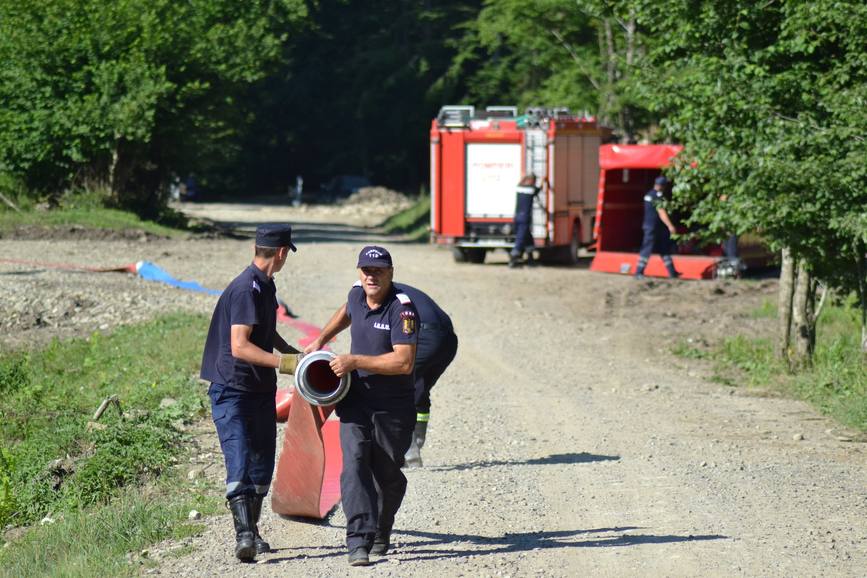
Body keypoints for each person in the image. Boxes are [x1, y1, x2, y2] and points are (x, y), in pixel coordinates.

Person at [304, 246, 418, 567]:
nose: (371, 276)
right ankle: (358, 541)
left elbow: (404, 362)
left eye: (378, 271)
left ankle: (382, 528)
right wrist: (321, 339)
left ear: (390, 274)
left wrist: (354, 360)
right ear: (359, 273)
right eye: (366, 270)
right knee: (353, 463)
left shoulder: (402, 310)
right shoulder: (357, 293)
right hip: (356, 399)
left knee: (386, 475)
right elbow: (347, 310)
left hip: (392, 408)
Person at [200, 223, 303, 562]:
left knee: (261, 466)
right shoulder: (246, 289)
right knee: (240, 460)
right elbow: (240, 346)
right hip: (233, 389)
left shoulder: (265, 286)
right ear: (282, 252)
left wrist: (290, 351)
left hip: (259, 390)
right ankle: (243, 535)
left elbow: (265, 329)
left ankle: (253, 531)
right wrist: (283, 364)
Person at [392, 283, 458, 468]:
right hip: (448, 340)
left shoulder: (381, 295)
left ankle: (408, 452)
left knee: (397, 387)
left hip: (426, 336)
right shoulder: (399, 289)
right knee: (419, 388)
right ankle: (415, 447)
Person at [635, 175, 679, 279]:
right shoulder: (657, 197)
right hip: (654, 228)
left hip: (651, 227)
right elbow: (661, 212)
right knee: (647, 249)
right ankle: (638, 272)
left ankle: (672, 272)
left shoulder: (649, 194)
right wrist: (670, 226)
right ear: (662, 186)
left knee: (663, 249)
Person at [508, 174, 541, 268]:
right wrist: (543, 181)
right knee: (520, 239)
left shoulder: (519, 187)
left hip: (517, 217)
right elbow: (538, 190)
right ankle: (513, 259)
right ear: (532, 180)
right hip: (525, 218)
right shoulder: (531, 189)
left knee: (528, 238)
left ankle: (530, 259)